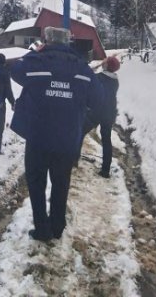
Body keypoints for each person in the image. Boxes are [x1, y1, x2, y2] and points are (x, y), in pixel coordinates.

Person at [11, 27, 102, 242]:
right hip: (67, 139)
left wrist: (35, 51)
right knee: (61, 184)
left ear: (46, 41)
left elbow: (15, 71)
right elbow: (98, 100)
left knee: (36, 183)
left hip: (38, 138)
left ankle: (42, 229)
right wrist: (80, 121)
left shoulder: (36, 62)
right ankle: (57, 226)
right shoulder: (82, 68)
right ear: (68, 42)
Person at [96, 55, 120, 178]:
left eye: (105, 61)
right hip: (109, 112)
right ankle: (105, 170)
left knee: (80, 131)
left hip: (97, 111)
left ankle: (73, 159)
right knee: (106, 140)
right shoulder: (115, 80)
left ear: (107, 65)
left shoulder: (99, 77)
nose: (102, 61)